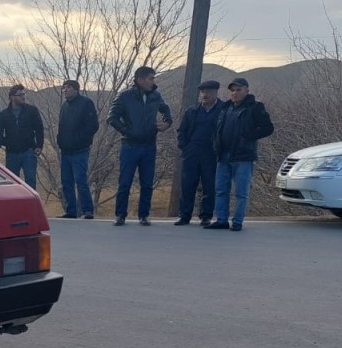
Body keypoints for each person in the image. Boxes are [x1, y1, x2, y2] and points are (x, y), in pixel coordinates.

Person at [107, 66, 173, 226]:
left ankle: (144, 215)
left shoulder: (156, 96)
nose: (153, 82)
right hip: (130, 146)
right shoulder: (124, 96)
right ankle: (120, 215)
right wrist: (127, 131)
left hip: (149, 145)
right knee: (125, 182)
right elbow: (112, 117)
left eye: (153, 78)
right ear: (139, 79)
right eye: (151, 78)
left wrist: (167, 123)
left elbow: (166, 111)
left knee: (147, 183)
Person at [206, 77, 274, 231]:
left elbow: (268, 128)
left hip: (243, 156)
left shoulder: (255, 107)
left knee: (241, 192)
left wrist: (248, 136)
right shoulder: (225, 107)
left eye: (238, 89)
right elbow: (217, 129)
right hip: (223, 156)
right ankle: (221, 220)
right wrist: (215, 144)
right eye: (232, 90)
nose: (235, 93)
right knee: (221, 190)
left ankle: (237, 222)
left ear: (246, 90)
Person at [175, 80, 224, 226]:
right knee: (188, 184)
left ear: (215, 93)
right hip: (192, 152)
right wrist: (185, 147)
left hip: (211, 153)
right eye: (203, 92)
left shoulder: (223, 109)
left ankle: (206, 216)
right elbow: (181, 131)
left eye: (208, 92)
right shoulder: (192, 111)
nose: (205, 94)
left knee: (209, 185)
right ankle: (184, 215)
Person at [56, 79, 99, 218]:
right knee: (66, 182)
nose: (65, 90)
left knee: (81, 180)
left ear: (76, 89)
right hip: (65, 150)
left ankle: (87, 210)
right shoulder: (64, 106)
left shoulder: (86, 104)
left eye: (68, 88)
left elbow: (93, 125)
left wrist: (81, 140)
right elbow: (61, 126)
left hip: (80, 150)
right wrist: (60, 140)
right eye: (64, 88)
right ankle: (71, 211)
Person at [0, 84, 44, 191]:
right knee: (12, 182)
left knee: (30, 180)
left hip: (28, 151)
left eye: (23, 94)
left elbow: (39, 128)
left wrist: (39, 145)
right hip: (12, 153)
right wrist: (7, 143)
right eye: (19, 95)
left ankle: (31, 205)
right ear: (12, 97)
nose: (23, 96)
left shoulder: (32, 110)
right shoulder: (4, 114)